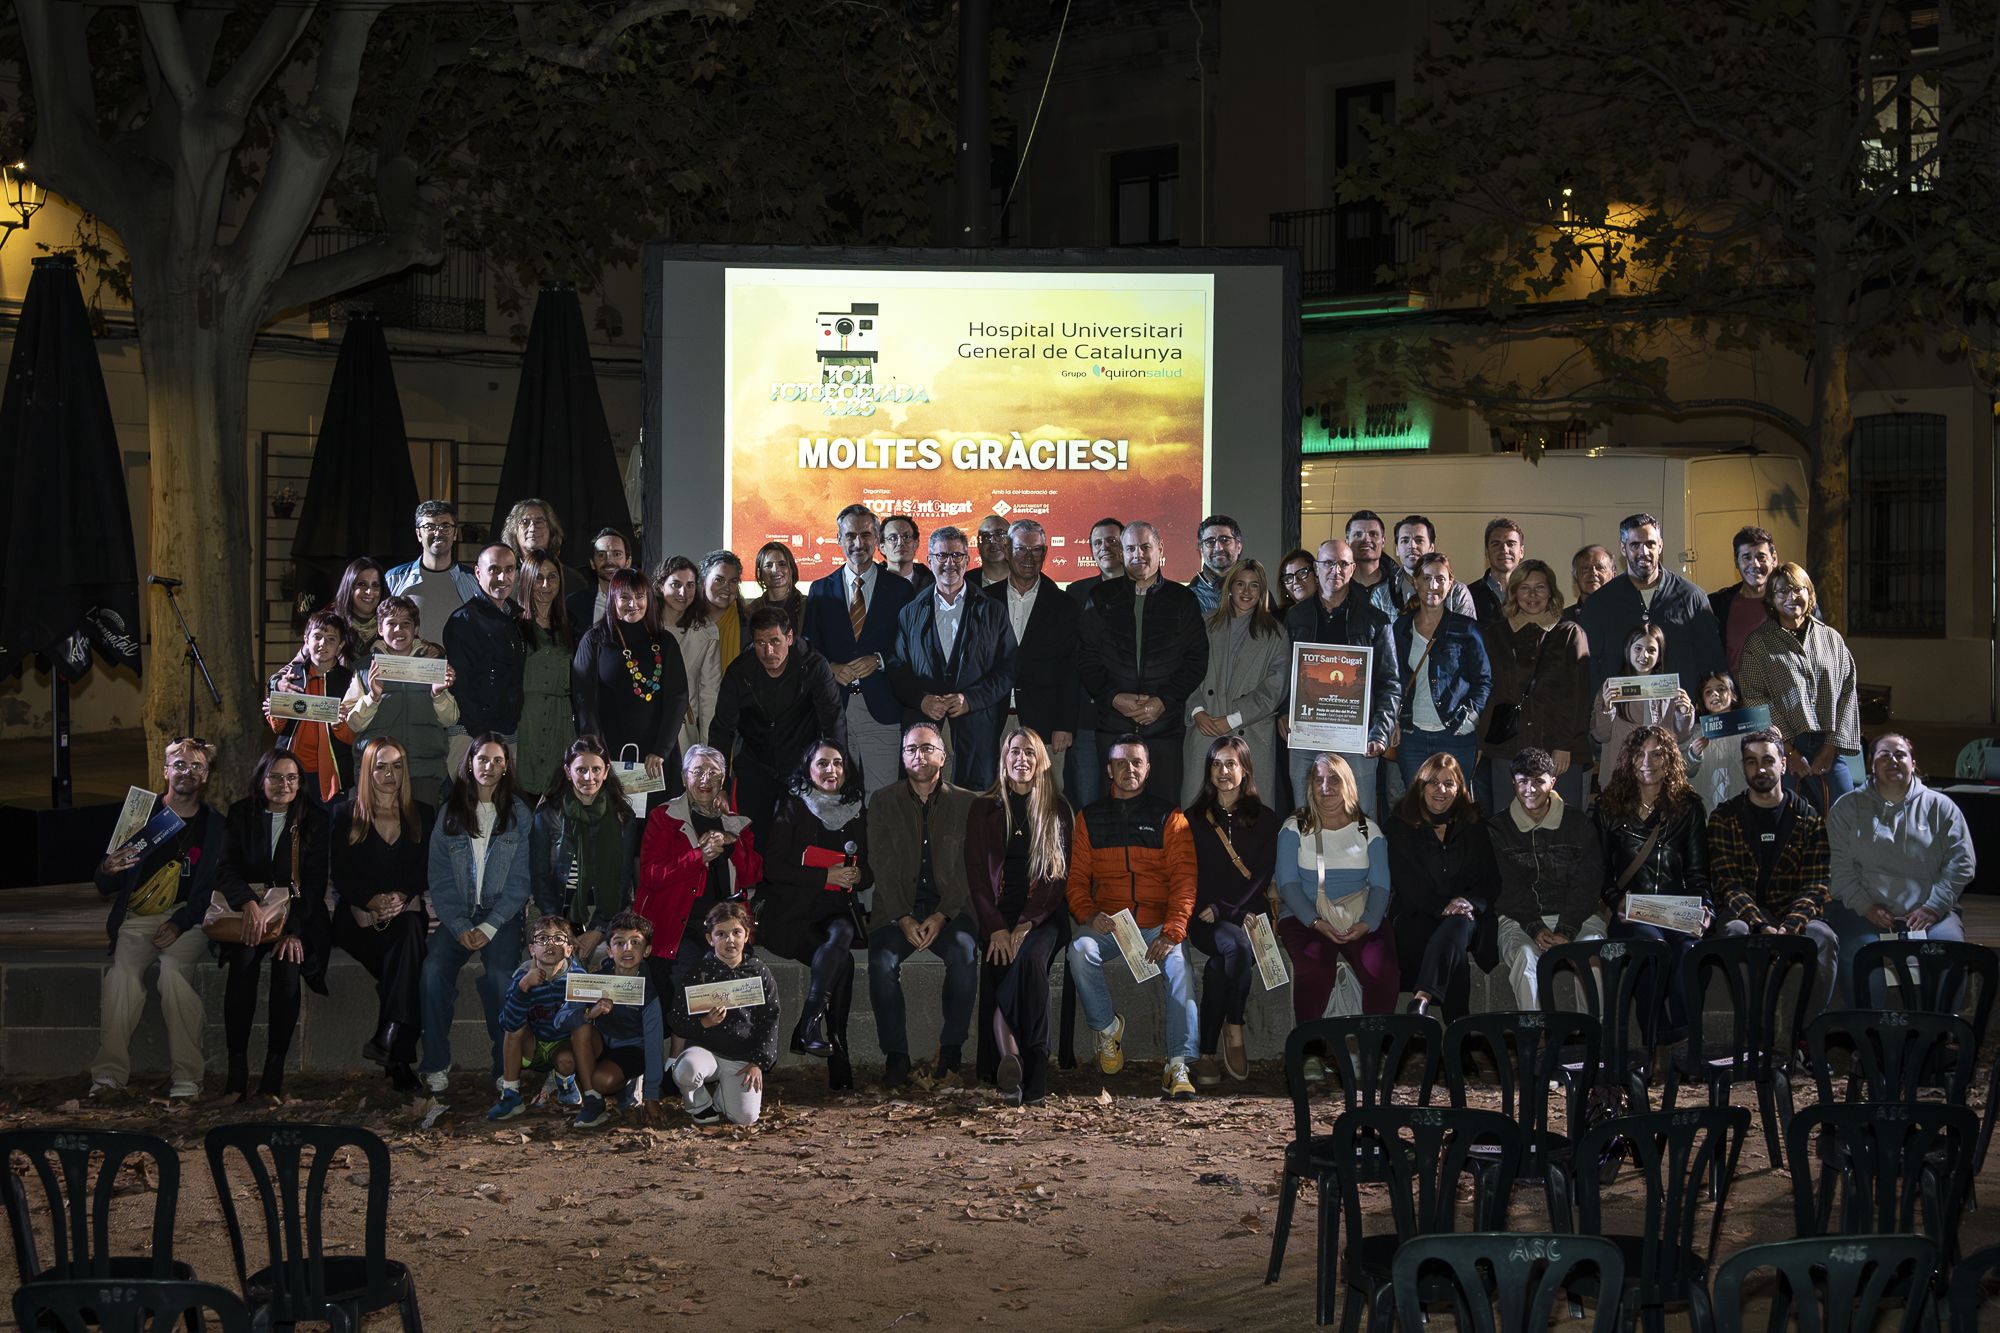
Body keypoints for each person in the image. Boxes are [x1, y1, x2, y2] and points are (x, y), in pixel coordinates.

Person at [88, 738, 227, 1102]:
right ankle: (108, 1077)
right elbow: (105, 882)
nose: (187, 772)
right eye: (179, 764)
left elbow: (209, 888)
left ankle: (187, 1078)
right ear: (165, 771)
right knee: (122, 977)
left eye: (196, 766)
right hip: (139, 917)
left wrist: (180, 922)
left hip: (188, 919)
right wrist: (107, 868)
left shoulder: (214, 826)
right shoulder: (139, 816)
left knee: (173, 974)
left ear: (206, 776)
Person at [1064, 736, 1201, 1098]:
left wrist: (1172, 931)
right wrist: (1088, 914)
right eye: (1121, 763)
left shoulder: (1170, 817)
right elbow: (1075, 880)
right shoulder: (1089, 817)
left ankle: (1177, 1064)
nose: (1129, 769)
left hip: (1158, 924)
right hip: (1110, 924)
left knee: (1179, 967)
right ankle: (1107, 1028)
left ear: (1148, 769)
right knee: (1079, 950)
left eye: (1137, 762)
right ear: (1109, 769)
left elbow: (1185, 880)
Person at [205, 748, 331, 1102]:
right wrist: (248, 902)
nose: (283, 785)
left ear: (300, 783)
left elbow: (314, 884)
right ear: (261, 779)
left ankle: (273, 1076)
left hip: (297, 915)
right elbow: (224, 868)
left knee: (288, 964)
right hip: (248, 913)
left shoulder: (315, 819)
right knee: (242, 964)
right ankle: (237, 1074)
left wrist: (293, 931)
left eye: (291, 778)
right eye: (275, 777)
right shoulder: (241, 813)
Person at [419, 735, 534, 1094]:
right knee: (432, 971)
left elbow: (521, 880)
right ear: (469, 763)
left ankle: (504, 1067)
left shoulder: (519, 813)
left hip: (502, 916)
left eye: (498, 761)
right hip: (459, 914)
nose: (489, 767)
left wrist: (490, 925)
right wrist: (458, 925)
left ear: (506, 767)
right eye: (483, 759)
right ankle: (436, 1063)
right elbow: (439, 877)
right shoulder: (450, 812)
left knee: (500, 977)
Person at [867, 722, 979, 1084]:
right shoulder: (883, 801)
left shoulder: (967, 803)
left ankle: (952, 1051)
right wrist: (902, 917)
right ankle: (896, 1056)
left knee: (964, 954)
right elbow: (881, 865)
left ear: (943, 757)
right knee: (881, 962)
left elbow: (969, 868)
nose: (920, 755)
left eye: (928, 748)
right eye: (912, 749)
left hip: (951, 909)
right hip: (897, 909)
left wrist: (943, 914)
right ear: (902, 758)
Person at [1826, 734, 1976, 1004]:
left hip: (1930, 911)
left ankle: (1940, 1029)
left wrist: (1934, 907)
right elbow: (1839, 868)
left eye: (1900, 755)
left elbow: (1962, 863)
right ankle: (1870, 1028)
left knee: (1949, 954)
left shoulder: (1941, 807)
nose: (1892, 760)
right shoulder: (1846, 808)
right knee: (1860, 956)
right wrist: (1866, 906)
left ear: (1913, 763)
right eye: (1884, 755)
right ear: (1871, 765)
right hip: (1864, 911)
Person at [967, 726, 1074, 1106]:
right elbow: (977, 877)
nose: (1022, 759)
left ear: (1041, 761)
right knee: (1000, 960)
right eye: (1014, 751)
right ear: (1004, 758)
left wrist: (1027, 923)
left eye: (1030, 752)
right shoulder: (983, 808)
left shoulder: (1057, 809)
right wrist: (997, 928)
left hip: (1044, 914)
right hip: (997, 914)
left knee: (1029, 961)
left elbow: (1056, 879)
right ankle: (1013, 1067)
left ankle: (1030, 1068)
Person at [758, 739, 869, 1090]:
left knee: (843, 931)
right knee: (843, 962)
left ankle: (809, 1023)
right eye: (822, 763)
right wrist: (825, 877)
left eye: (837, 763)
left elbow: (868, 870)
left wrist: (857, 875)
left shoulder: (855, 808)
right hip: (794, 916)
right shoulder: (793, 806)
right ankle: (836, 1048)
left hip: (836, 910)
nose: (831, 770)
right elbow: (772, 867)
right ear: (808, 769)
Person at [1594, 724, 1712, 1047]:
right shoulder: (1609, 806)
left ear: (1669, 760)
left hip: (1676, 910)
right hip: (1631, 912)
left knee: (1690, 951)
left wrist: (1706, 911)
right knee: (1651, 947)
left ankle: (1686, 1039)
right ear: (1628, 759)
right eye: (1639, 754)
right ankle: (1656, 1041)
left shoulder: (1688, 807)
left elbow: (1699, 874)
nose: (1647, 762)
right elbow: (1600, 872)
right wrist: (1616, 900)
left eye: (1657, 754)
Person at [1710, 728, 1838, 1021]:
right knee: (1735, 933)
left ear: (1783, 764)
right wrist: (1759, 924)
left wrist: (1790, 926)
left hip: (1793, 912)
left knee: (1823, 937)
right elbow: (1728, 884)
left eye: (1768, 760)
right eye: (1751, 761)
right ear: (1743, 767)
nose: (1760, 769)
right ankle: (1748, 1028)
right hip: (1744, 913)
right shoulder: (1724, 817)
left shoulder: (1808, 818)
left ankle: (1806, 1030)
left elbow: (1817, 884)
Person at [1077, 521, 1208, 801]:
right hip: (1112, 726)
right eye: (1130, 548)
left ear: (1160, 548)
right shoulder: (1100, 598)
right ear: (1122, 553)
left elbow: (1196, 660)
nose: (1138, 554)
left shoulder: (1183, 599)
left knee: (1164, 811)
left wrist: (1163, 701)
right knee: (1111, 810)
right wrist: (1113, 698)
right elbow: (1086, 657)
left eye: (1145, 547)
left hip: (1164, 728)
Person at [330, 736, 432, 1094]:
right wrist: (368, 902)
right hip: (356, 919)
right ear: (367, 771)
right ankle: (395, 1048)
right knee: (408, 962)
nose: (390, 774)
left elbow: (424, 870)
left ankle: (393, 1049)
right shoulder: (345, 814)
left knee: (409, 932)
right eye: (381, 766)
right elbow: (340, 873)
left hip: (404, 914)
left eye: (397, 766)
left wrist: (402, 895)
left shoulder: (422, 814)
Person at [1274, 752, 1397, 1032]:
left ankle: (1373, 1047)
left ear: (1348, 784)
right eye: (1318, 780)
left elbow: (1381, 885)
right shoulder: (1294, 827)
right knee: (1314, 972)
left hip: (1359, 915)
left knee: (1383, 973)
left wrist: (1367, 923)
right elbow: (1287, 884)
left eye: (1334, 779)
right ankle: (1310, 1047)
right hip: (1304, 916)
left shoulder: (1369, 830)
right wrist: (1316, 922)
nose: (1325, 787)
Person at [888, 525, 1016, 788]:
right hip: (923, 727)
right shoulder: (910, 612)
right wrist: (921, 700)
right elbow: (897, 668)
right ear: (929, 560)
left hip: (976, 727)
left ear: (967, 560)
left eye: (957, 555)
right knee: (923, 800)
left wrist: (971, 699)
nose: (950, 563)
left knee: (974, 802)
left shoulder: (993, 610)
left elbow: (1008, 668)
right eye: (942, 556)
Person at [1185, 736, 1280, 1087]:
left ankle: (1208, 1052)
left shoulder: (1266, 819)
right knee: (1234, 946)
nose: (1223, 771)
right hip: (1205, 919)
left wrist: (1228, 909)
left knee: (1218, 967)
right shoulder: (1192, 819)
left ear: (1245, 770)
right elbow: (1187, 875)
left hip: (1250, 916)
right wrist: (1214, 909)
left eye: (1231, 764)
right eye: (1216, 764)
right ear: (1208, 770)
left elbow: (1261, 877)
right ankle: (1235, 1026)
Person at [1283, 538, 1400, 820]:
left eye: (1343, 564)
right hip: (1305, 735)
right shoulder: (1295, 618)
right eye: (1328, 563)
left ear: (1352, 569)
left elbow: (1390, 683)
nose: (1335, 570)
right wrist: (1283, 711)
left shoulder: (1376, 620)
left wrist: (1380, 731)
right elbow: (1283, 674)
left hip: (1356, 739)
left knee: (1360, 817)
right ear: (1316, 568)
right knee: (1306, 816)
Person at [804, 504, 916, 796]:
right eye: (850, 535)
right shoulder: (819, 590)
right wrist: (829, 668)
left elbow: (910, 649)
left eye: (866, 535)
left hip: (882, 710)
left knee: (881, 799)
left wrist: (879, 660)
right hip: (834, 710)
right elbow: (809, 649)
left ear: (877, 538)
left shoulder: (901, 590)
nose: (858, 543)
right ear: (839, 539)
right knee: (836, 798)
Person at [1736, 561, 1861, 814]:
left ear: (1809, 593)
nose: (1791, 597)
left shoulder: (1831, 638)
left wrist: (1831, 746)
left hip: (1828, 745)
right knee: (1792, 819)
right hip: (1784, 748)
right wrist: (1788, 750)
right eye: (1782, 591)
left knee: (1846, 814)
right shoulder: (1758, 643)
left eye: (1797, 589)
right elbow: (1753, 698)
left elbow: (1848, 690)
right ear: (1771, 599)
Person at [709, 604, 846, 829]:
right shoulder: (739, 671)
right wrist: (720, 784)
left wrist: (836, 773)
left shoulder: (814, 666)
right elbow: (722, 730)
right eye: (760, 643)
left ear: (789, 638)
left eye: (775, 641)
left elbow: (833, 720)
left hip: (802, 766)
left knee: (799, 837)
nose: (769, 651)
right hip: (756, 766)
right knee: (755, 838)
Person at [1490, 747, 1607, 1010]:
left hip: (1578, 916)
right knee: (1525, 958)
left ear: (1552, 782)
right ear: (1513, 783)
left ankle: (1593, 1033)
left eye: (1538, 781)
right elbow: (1507, 888)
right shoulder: (1498, 828)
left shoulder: (1578, 824)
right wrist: (1534, 927)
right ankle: (1535, 1033)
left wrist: (1567, 929)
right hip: (1519, 919)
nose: (1530, 789)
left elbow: (1587, 883)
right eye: (1522, 781)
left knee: (1592, 957)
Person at [1386, 752, 1496, 1020]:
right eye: (1433, 782)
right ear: (1420, 786)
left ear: (1459, 789)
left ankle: (1422, 998)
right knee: (1452, 945)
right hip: (1417, 911)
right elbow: (1403, 879)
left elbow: (1491, 878)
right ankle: (1459, 1029)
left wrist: (1468, 902)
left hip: (1466, 914)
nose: (1441, 790)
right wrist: (1439, 907)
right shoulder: (1400, 824)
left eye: (1449, 783)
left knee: (1457, 925)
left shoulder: (1473, 823)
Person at [637, 744, 763, 971]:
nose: (706, 779)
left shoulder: (736, 824)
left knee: (751, 975)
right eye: (697, 772)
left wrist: (733, 844)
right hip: (680, 927)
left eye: (713, 773)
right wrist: (699, 856)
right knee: (695, 973)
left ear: (722, 780)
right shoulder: (664, 817)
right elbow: (651, 875)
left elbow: (753, 875)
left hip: (725, 928)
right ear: (684, 778)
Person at [1477, 558, 1591, 809]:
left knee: (1561, 823)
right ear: (1514, 592)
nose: (1532, 595)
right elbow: (1489, 692)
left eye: (1540, 587)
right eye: (1525, 588)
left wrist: (1564, 744)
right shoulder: (1495, 634)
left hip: (1557, 749)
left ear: (1551, 592)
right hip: (1508, 748)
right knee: (1508, 823)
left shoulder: (1569, 633)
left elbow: (1578, 696)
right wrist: (1481, 744)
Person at [1575, 512, 1725, 698]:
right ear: (1623, 548)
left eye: (1650, 544)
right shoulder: (1599, 604)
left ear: (1660, 546)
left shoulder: (1692, 598)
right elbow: (1586, 669)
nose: (1643, 552)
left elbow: (1712, 662)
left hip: (1679, 713)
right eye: (1635, 545)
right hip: (1620, 714)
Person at [573, 567, 690, 799]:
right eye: (624, 597)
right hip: (609, 755)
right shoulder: (594, 640)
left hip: (655, 758)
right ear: (612, 600)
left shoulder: (665, 642)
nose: (633, 604)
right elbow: (583, 700)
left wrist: (661, 750)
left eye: (639, 596)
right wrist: (597, 752)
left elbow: (677, 698)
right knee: (616, 817)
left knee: (656, 819)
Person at [1182, 558, 1288, 806]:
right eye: (1240, 584)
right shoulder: (1204, 624)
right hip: (1205, 727)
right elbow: (1187, 671)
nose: (1246, 591)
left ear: (1262, 591)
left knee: (1250, 816)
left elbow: (1275, 688)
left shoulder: (1276, 633)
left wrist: (1232, 720)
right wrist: (1197, 711)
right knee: (1199, 814)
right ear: (1229, 587)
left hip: (1251, 732)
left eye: (1254, 585)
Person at [669, 901, 782, 1125]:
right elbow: (676, 1019)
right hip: (705, 1051)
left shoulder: (758, 971)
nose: (729, 940)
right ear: (710, 939)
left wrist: (758, 1061)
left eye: (736, 932)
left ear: (746, 935)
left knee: (745, 1118)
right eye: (721, 934)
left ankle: (724, 1098)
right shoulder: (698, 973)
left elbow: (771, 1017)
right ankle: (699, 1105)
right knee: (686, 1070)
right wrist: (704, 1023)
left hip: (741, 1057)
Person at [531, 736, 642, 960]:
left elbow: (622, 880)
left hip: (606, 913)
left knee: (605, 958)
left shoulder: (623, 818)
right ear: (567, 771)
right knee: (555, 959)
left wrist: (598, 930)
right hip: (556, 910)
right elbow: (539, 876)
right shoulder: (548, 814)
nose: (589, 777)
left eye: (596, 769)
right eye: (581, 770)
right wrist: (560, 928)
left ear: (606, 771)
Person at [988, 518, 1081, 782]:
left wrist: (1064, 724)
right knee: (994, 797)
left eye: (1036, 550)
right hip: (993, 722)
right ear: (1007, 551)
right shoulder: (985, 600)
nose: (1029, 557)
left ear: (1045, 553)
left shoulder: (1064, 605)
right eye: (1021, 549)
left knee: (1047, 797)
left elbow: (1071, 669)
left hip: (1046, 725)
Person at [344, 594, 460, 804]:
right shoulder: (365, 669)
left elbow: (450, 719)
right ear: (380, 629)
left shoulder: (432, 665)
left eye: (406, 623)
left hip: (424, 771)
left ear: (416, 629)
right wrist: (373, 696)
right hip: (377, 770)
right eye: (391, 624)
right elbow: (353, 723)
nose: (399, 630)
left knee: (421, 823)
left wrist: (438, 693)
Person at [1392, 552, 1492, 789]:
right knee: (1416, 804)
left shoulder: (1466, 629)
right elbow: (1391, 679)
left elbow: (1484, 679)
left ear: (1450, 583)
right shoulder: (1401, 627)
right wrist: (1393, 719)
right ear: (1415, 582)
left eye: (1440, 579)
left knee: (1455, 804)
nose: (1433, 585)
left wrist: (1470, 717)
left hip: (1455, 734)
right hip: (1411, 736)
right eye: (1426, 578)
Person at [568, 910, 667, 1129]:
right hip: (601, 1044)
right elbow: (562, 1020)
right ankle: (592, 1101)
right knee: (581, 1029)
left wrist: (652, 1096)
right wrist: (589, 1013)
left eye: (635, 942)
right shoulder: (595, 981)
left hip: (632, 1050)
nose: (627, 949)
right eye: (619, 943)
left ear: (647, 950)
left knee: (603, 1080)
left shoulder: (648, 991)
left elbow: (654, 1042)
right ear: (609, 951)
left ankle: (628, 1085)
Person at [486, 914, 588, 1120]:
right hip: (532, 1046)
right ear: (532, 949)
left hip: (562, 1044)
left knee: (567, 1059)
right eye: (542, 938)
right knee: (515, 1027)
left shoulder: (578, 979)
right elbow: (507, 1022)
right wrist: (524, 987)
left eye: (558, 938)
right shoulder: (522, 975)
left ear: (569, 949)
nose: (550, 944)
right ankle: (511, 1094)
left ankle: (565, 1082)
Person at [265, 609, 358, 802]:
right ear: (306, 640)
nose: (323, 644)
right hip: (291, 773)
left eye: (331, 639)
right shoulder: (290, 677)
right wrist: (276, 710)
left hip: (333, 775)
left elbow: (353, 736)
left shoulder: (350, 681)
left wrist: (340, 724)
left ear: (340, 646)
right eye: (317, 637)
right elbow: (278, 729)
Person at [1064, 516, 1126, 805]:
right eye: (1098, 543)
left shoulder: (1145, 589)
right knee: (1086, 803)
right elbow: (1069, 656)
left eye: (1112, 541)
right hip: (1086, 720)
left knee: (1124, 798)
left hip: (1127, 718)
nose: (1105, 548)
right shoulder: (1075, 592)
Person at [444, 545, 531, 749]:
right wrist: (483, 737)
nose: (502, 577)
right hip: (471, 735)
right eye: (494, 569)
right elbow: (461, 686)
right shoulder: (463, 620)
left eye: (509, 569)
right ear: (478, 572)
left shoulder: (517, 618)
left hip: (508, 732)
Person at [1590, 623, 1697, 777]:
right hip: (1621, 776)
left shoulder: (1669, 689)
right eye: (1638, 648)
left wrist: (1684, 713)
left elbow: (1680, 738)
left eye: (1651, 650)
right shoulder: (1611, 688)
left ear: (1659, 655)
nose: (1644, 655)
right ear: (1628, 650)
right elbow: (1600, 735)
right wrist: (1606, 709)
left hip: (1658, 776)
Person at [513, 546, 578, 795]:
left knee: (559, 794)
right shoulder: (514, 625)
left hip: (562, 723)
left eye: (552, 577)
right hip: (526, 722)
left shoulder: (571, 625)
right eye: (538, 577)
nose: (545, 585)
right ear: (527, 581)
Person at [386, 500, 482, 645]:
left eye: (445, 526)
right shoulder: (394, 579)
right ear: (418, 534)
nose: (438, 533)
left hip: (459, 660)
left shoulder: (474, 580)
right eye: (429, 527)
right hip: (407, 660)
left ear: (455, 533)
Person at [657, 556, 723, 760]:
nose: (683, 593)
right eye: (676, 584)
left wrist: (706, 750)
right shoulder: (643, 625)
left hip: (684, 730)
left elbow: (709, 694)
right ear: (660, 585)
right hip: (647, 725)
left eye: (690, 585)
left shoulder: (706, 631)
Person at [1377, 515, 1478, 620]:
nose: (1412, 546)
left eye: (1419, 540)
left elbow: (1467, 629)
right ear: (1397, 549)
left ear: (1431, 548)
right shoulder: (1381, 593)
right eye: (1405, 541)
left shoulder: (1457, 592)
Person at [1708, 525, 1778, 673]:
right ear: (1736, 563)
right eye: (1747, 557)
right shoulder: (1717, 606)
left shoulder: (1792, 603)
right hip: (1735, 688)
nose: (1755, 564)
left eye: (1761, 557)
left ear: (1774, 559)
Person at [1686, 671, 1751, 811]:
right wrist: (1694, 754)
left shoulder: (1750, 728)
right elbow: (1686, 771)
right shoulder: (1695, 733)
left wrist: (1772, 736)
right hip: (1708, 807)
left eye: (1721, 689)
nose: (1715, 694)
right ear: (1702, 700)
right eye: (1708, 692)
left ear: (1733, 695)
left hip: (1744, 805)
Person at [500, 497, 583, 594]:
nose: (532, 528)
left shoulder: (572, 580)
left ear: (551, 530)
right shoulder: (504, 580)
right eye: (525, 522)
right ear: (514, 532)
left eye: (539, 522)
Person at [567, 527, 632, 631]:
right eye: (601, 555)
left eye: (617, 554)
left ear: (628, 562)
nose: (609, 561)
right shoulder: (573, 604)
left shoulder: (642, 604)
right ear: (592, 563)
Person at [698, 549, 752, 667]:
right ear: (703, 581)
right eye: (719, 580)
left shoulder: (749, 625)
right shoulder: (686, 623)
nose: (726, 588)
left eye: (733, 581)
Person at [1469, 518, 1525, 625]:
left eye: (1511, 543)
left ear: (1521, 552)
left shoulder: (1534, 595)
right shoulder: (1469, 595)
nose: (1504, 549)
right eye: (1496, 544)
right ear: (1487, 552)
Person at [1189, 514, 1245, 615]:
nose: (1218, 548)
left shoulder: (1257, 592)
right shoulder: (1188, 598)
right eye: (1210, 542)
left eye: (1225, 540)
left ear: (1239, 547)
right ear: (1201, 550)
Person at [753, 541, 807, 641]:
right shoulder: (751, 610)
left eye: (782, 564)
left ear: (791, 569)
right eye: (769, 565)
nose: (775, 570)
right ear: (759, 573)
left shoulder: (809, 605)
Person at [332, 557, 388, 655]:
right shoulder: (331, 623)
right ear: (349, 587)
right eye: (362, 584)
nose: (369, 592)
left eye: (375, 585)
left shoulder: (393, 626)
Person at [1343, 510, 1395, 610]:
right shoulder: (1336, 585)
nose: (1366, 539)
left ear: (1383, 541)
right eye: (1358, 534)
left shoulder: (1396, 587)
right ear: (1347, 542)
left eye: (1373, 534)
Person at [880, 514, 934, 593]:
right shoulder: (872, 582)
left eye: (906, 537)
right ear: (882, 547)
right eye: (892, 538)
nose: (900, 543)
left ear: (915, 544)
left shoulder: (932, 584)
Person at [1567, 544, 1619, 614]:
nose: (1593, 572)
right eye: (1586, 568)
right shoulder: (1561, 619)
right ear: (1575, 576)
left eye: (1600, 568)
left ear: (1613, 575)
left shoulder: (1628, 615)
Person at [1274, 548, 1318, 615]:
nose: (1295, 581)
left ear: (1316, 573)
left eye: (1302, 573)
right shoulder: (1277, 618)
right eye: (1289, 577)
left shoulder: (1330, 611)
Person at [974, 514, 1013, 588]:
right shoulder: (965, 583)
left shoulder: (1030, 581)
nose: (992, 541)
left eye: (999, 534)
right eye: (986, 536)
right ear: (978, 545)